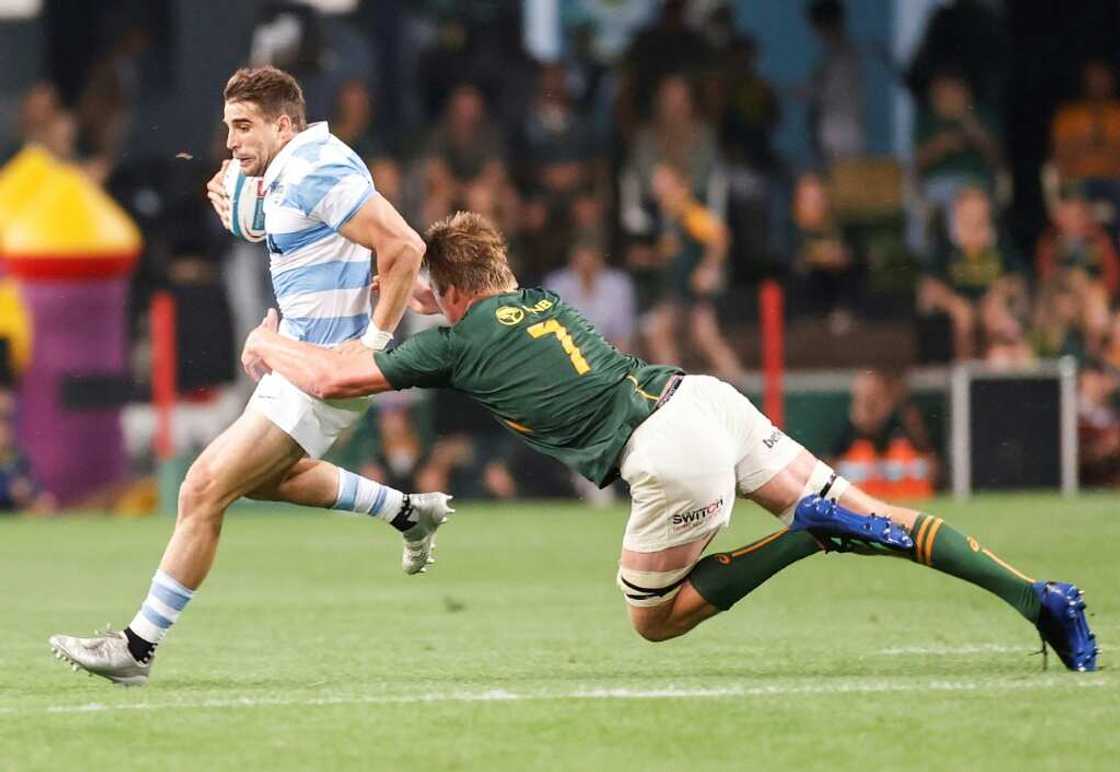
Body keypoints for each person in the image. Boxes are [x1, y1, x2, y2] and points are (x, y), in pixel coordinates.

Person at [241, 210, 1098, 673]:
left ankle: (807, 536)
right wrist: (437, 297)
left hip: (666, 455)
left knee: (652, 620)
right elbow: (466, 306)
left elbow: (326, 379)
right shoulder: (534, 299)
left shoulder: (457, 339)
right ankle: (1038, 597)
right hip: (706, 399)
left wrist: (269, 341)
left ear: (450, 290)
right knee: (874, 508)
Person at [48, 66, 453, 686]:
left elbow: (404, 246)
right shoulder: (296, 166)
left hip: (322, 369)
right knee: (265, 480)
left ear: (284, 123)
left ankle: (136, 648)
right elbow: (309, 237)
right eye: (227, 127)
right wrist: (251, 229)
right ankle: (405, 510)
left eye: (244, 127)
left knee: (201, 487)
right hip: (300, 357)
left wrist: (367, 349)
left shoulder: (315, 166)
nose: (231, 142)